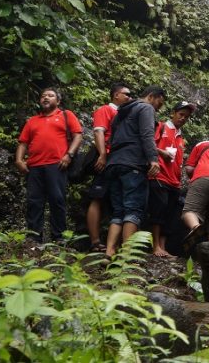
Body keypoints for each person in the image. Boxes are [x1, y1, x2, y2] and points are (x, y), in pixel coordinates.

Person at [15, 87, 83, 243]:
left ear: (58, 101)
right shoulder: (32, 121)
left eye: (50, 96)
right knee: (34, 201)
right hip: (34, 167)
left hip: (57, 165)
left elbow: (77, 136)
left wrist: (69, 155)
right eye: (43, 96)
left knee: (57, 200)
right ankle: (33, 238)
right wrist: (19, 160)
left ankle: (59, 237)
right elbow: (23, 143)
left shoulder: (66, 115)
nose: (46, 98)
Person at [103, 86, 164, 256]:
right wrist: (153, 159)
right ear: (152, 96)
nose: (160, 107)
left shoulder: (120, 113)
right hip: (133, 163)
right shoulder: (146, 108)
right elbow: (147, 134)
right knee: (133, 209)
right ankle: (126, 255)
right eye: (160, 102)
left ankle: (109, 252)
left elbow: (113, 138)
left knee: (118, 211)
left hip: (114, 163)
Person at [86, 82, 138, 251]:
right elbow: (99, 132)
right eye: (126, 94)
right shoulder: (106, 110)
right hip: (107, 158)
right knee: (98, 197)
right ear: (116, 95)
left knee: (117, 202)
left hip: (120, 161)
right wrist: (102, 155)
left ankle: (115, 245)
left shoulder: (124, 114)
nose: (129, 97)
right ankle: (95, 241)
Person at [150, 100, 192, 256]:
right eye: (181, 114)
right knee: (158, 212)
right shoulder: (161, 127)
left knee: (170, 215)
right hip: (159, 176)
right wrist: (162, 153)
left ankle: (163, 247)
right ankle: (155, 247)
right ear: (173, 113)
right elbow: (148, 144)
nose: (183, 118)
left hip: (174, 182)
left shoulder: (181, 137)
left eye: (186, 117)